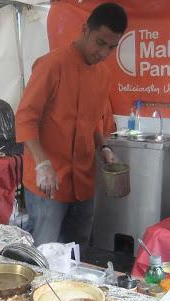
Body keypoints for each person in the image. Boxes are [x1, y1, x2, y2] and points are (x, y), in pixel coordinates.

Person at [15, 3, 127, 247]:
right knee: (45, 254)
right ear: (85, 29)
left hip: (84, 182)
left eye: (112, 47)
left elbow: (94, 122)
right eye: (100, 43)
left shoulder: (103, 75)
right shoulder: (51, 65)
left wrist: (104, 148)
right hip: (48, 183)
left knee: (77, 253)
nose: (104, 53)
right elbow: (25, 118)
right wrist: (43, 164)